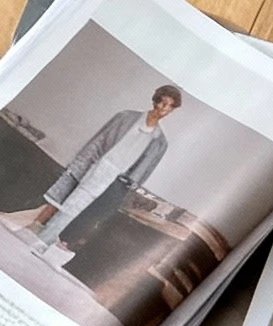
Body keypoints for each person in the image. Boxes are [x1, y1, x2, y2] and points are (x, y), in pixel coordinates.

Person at [1, 84, 182, 266]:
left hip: (115, 179)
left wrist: (127, 184)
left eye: (169, 107)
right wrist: (82, 161)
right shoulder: (126, 117)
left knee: (75, 209)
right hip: (96, 164)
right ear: (156, 101)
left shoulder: (160, 141)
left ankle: (43, 242)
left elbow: (144, 170)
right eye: (163, 103)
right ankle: (38, 237)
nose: (164, 109)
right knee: (63, 201)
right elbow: (99, 139)